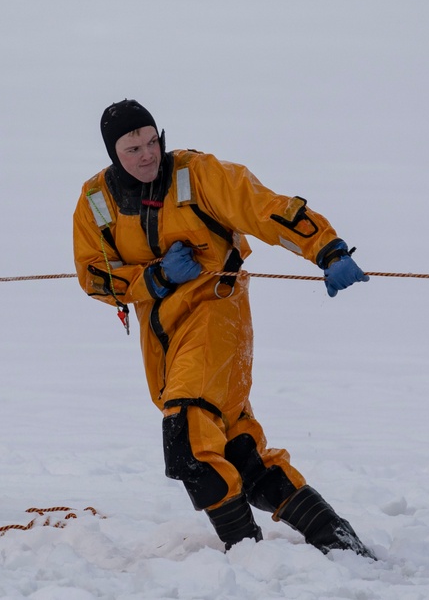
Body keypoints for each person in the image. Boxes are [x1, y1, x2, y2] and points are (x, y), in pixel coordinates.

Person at [73, 100, 373, 556]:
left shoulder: (198, 174)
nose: (148, 154)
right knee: (240, 455)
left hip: (217, 314)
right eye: (133, 148)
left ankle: (247, 557)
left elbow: (265, 208)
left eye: (153, 141)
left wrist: (326, 248)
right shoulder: (97, 202)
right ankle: (340, 542)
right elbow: (93, 275)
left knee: (189, 443)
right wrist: (153, 278)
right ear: (114, 154)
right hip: (161, 334)